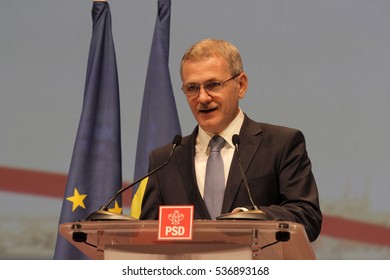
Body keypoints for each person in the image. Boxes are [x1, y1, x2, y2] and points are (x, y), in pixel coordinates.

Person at [140, 39, 322, 242]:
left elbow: (307, 217)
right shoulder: (165, 160)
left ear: (241, 85)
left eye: (213, 85)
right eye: (192, 88)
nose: (202, 98)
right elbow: (147, 236)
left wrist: (250, 217)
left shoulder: (281, 144)